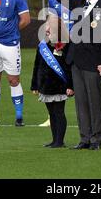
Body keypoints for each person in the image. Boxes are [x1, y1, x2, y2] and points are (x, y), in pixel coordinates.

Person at [54, 0, 101, 150]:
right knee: (80, 101)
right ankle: (84, 138)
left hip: (94, 61)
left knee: (94, 102)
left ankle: (96, 139)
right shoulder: (78, 3)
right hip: (77, 60)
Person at [37, 0, 82, 128]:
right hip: (59, 45)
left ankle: (82, 118)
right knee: (55, 79)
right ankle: (52, 117)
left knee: (75, 82)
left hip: (77, 44)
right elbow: (51, 19)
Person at [31, 17, 74, 148]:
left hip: (60, 85)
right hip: (46, 85)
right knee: (51, 113)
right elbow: (37, 65)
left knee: (59, 112)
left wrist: (71, 86)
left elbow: (70, 67)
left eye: (50, 26)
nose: (47, 29)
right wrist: (35, 85)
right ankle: (54, 139)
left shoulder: (66, 45)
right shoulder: (43, 45)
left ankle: (60, 141)